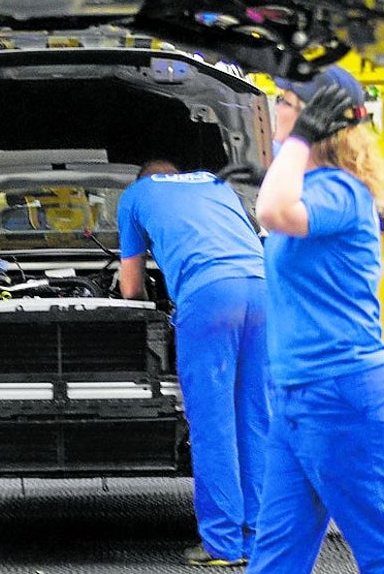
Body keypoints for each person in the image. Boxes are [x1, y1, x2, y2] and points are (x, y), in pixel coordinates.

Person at [252, 66, 384, 574]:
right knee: (278, 549)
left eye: (285, 101)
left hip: (338, 391)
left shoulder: (339, 191)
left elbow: (272, 211)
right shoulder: (311, 185)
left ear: (315, 118)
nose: (276, 109)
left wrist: (301, 138)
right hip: (295, 391)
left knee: (379, 542)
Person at [117, 161, 269, 568]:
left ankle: (221, 545)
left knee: (213, 424)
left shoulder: (135, 195)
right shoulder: (218, 185)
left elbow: (131, 287)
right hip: (263, 291)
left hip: (209, 299)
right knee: (255, 420)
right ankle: (257, 540)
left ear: (144, 176)